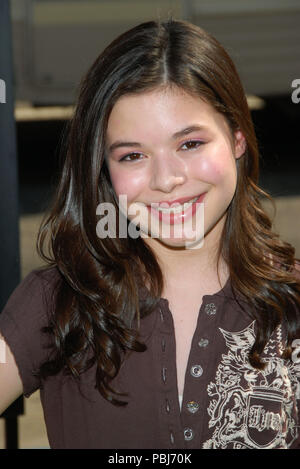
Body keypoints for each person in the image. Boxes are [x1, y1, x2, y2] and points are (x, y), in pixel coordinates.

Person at [1, 19, 300, 450]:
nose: (166, 179)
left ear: (237, 139)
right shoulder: (58, 300)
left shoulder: (290, 298)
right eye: (133, 155)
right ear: (104, 168)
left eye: (189, 144)